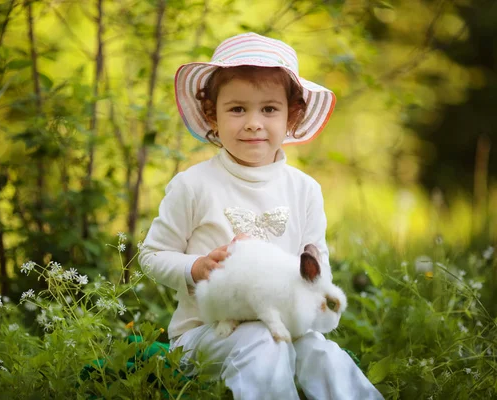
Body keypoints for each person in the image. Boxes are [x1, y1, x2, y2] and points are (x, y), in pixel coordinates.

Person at [138, 32, 383, 400]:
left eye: (269, 109)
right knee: (262, 343)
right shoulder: (193, 185)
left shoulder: (304, 190)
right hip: (207, 333)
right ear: (213, 115)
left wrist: (315, 302)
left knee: (320, 352)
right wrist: (196, 268)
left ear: (291, 116)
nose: (253, 122)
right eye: (237, 109)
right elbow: (151, 256)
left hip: (283, 321)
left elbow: (318, 266)